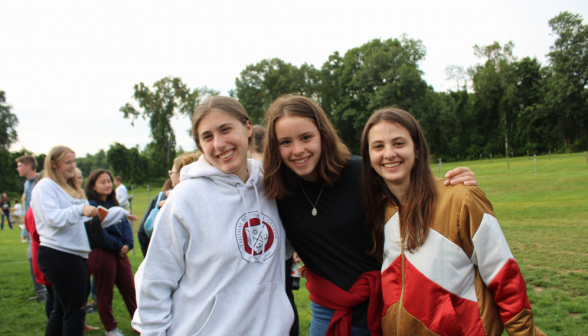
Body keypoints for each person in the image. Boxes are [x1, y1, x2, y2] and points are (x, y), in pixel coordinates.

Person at [262, 95, 478, 336]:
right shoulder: (275, 191)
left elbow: (417, 193)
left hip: (389, 303)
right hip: (329, 311)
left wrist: (455, 187)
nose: (298, 150)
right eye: (285, 142)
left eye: (306, 137)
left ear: (323, 134)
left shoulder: (360, 172)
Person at [361, 108, 544, 335]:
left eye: (399, 143)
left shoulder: (461, 198)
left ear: (417, 149)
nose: (388, 154)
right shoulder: (378, 209)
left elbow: (505, 276)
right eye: (378, 146)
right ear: (368, 156)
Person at [132, 96, 294, 335]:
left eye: (225, 129)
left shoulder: (272, 185)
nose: (219, 144)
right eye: (207, 136)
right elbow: (154, 280)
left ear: (247, 127)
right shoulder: (185, 198)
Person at [32, 146, 133, 336]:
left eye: (74, 161)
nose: (72, 166)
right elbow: (52, 218)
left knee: (64, 310)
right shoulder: (45, 187)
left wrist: (121, 213)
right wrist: (79, 210)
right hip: (58, 254)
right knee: (75, 311)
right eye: (68, 162)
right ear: (54, 164)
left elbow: (94, 220)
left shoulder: (72, 189)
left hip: (76, 255)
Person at [85, 169, 139, 336]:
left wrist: (128, 245)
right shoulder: (91, 207)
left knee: (130, 289)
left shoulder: (115, 205)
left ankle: (138, 323)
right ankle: (111, 329)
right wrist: (118, 246)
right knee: (105, 293)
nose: (108, 184)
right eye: (103, 182)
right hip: (102, 253)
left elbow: (125, 225)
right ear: (93, 186)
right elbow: (98, 233)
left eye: (109, 181)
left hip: (120, 253)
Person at [136, 152, 201, 257]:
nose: (170, 176)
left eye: (172, 172)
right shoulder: (205, 198)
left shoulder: (162, 198)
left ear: (180, 174)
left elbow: (142, 233)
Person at [16, 154, 48, 302]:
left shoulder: (39, 182)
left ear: (28, 166)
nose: (17, 168)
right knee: (32, 258)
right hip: (30, 226)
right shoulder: (26, 184)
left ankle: (44, 292)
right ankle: (42, 292)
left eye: (19, 165)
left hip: (40, 227)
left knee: (35, 257)